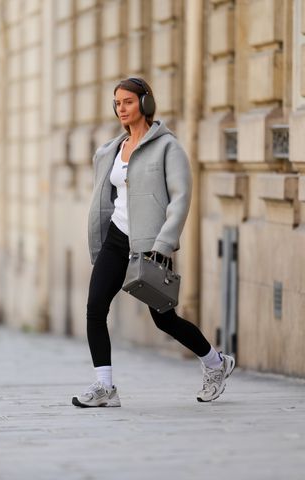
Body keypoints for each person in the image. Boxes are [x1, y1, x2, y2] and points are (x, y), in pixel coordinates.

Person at [72, 77, 235, 408]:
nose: (122, 109)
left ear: (145, 103)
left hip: (151, 245)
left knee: (164, 318)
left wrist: (164, 242)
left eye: (128, 102)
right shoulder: (112, 150)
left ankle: (217, 363)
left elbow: (181, 197)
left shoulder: (167, 147)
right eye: (117, 103)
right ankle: (105, 387)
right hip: (117, 239)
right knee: (94, 307)